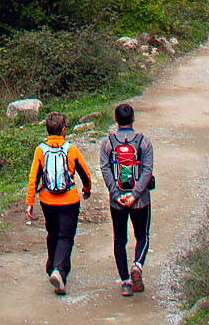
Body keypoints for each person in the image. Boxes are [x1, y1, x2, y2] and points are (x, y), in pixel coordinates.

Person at [25, 111, 93, 294]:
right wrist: (87, 190)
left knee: (53, 233)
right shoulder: (71, 150)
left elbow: (34, 178)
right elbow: (85, 174)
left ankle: (52, 268)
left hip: (47, 200)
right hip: (69, 200)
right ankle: (59, 271)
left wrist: (30, 202)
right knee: (66, 236)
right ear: (64, 130)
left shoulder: (40, 150)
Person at [100, 100, 154, 294]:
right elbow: (147, 171)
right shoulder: (144, 142)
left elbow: (105, 169)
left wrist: (116, 195)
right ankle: (137, 266)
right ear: (133, 119)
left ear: (116, 119)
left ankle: (125, 282)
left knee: (119, 240)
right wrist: (136, 194)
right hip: (141, 201)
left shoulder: (108, 143)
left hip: (118, 203)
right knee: (142, 235)